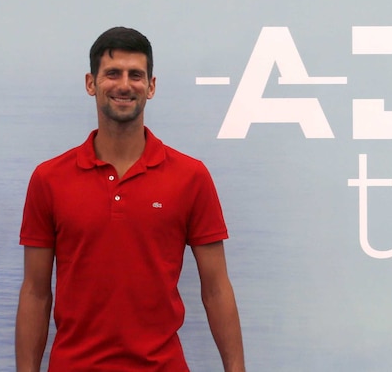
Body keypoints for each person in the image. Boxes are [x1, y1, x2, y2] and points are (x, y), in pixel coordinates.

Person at [15, 27, 245, 371]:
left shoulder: (191, 177)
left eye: (135, 74)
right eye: (112, 74)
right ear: (91, 83)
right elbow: (35, 292)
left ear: (151, 87)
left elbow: (216, 288)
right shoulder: (49, 179)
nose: (124, 85)